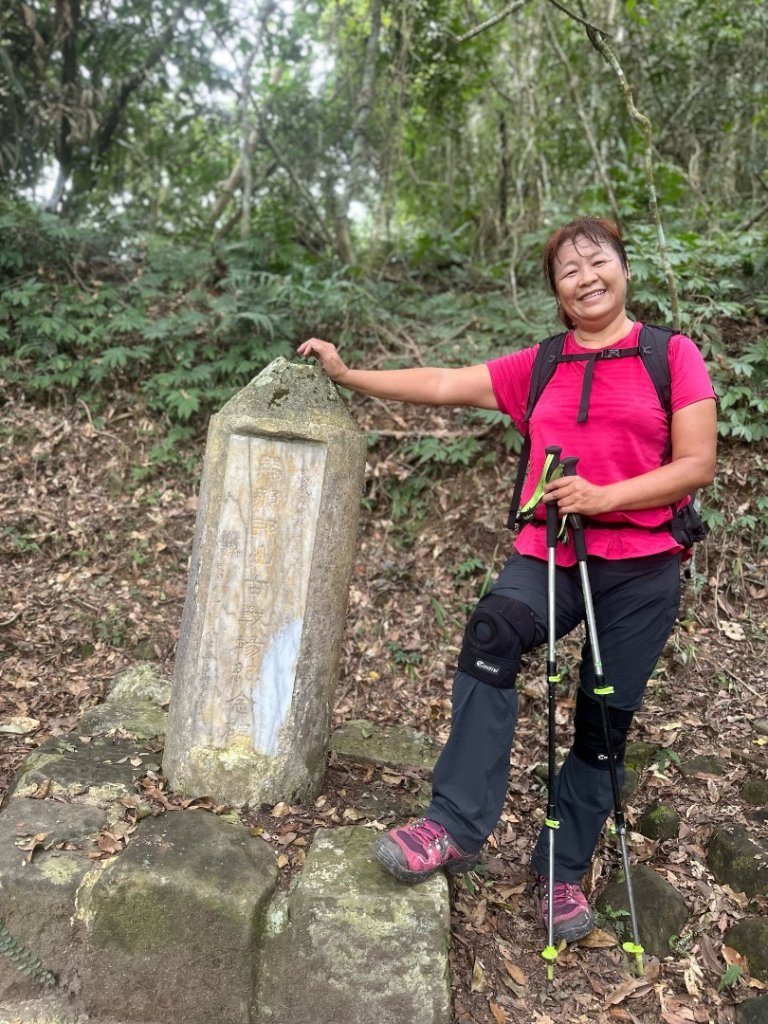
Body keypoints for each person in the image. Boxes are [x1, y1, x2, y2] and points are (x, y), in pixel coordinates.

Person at [296, 216, 717, 944]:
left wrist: (605, 496)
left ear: (624, 269)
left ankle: (561, 868)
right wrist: (347, 375)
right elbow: (442, 382)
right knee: (492, 633)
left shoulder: (671, 356)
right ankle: (454, 825)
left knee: (602, 722)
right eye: (569, 271)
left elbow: (696, 465)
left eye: (599, 262)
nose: (587, 278)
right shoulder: (544, 364)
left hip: (643, 568)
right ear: (556, 292)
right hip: (550, 553)